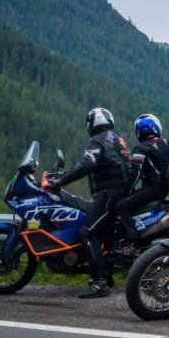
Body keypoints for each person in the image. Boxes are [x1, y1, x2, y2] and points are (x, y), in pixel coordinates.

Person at [47, 107, 134, 298]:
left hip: (109, 195)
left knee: (87, 232)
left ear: (91, 123)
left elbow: (88, 164)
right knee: (100, 233)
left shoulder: (98, 140)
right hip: (119, 194)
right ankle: (106, 273)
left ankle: (100, 282)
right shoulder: (117, 138)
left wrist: (61, 181)